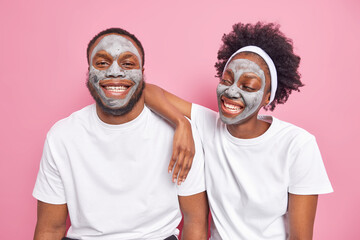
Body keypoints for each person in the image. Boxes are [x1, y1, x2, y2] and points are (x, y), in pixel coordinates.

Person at [145, 22, 333, 239]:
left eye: (248, 86)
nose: (231, 91)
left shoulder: (297, 144)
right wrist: (182, 122)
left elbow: (301, 237)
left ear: (267, 96)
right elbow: (147, 91)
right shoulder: (208, 124)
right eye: (226, 80)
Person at [33, 27, 208, 240]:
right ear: (89, 74)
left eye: (127, 63)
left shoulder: (182, 136)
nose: (115, 72)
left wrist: (182, 123)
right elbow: (50, 229)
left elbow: (195, 221)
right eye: (102, 63)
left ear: (143, 75)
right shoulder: (62, 137)